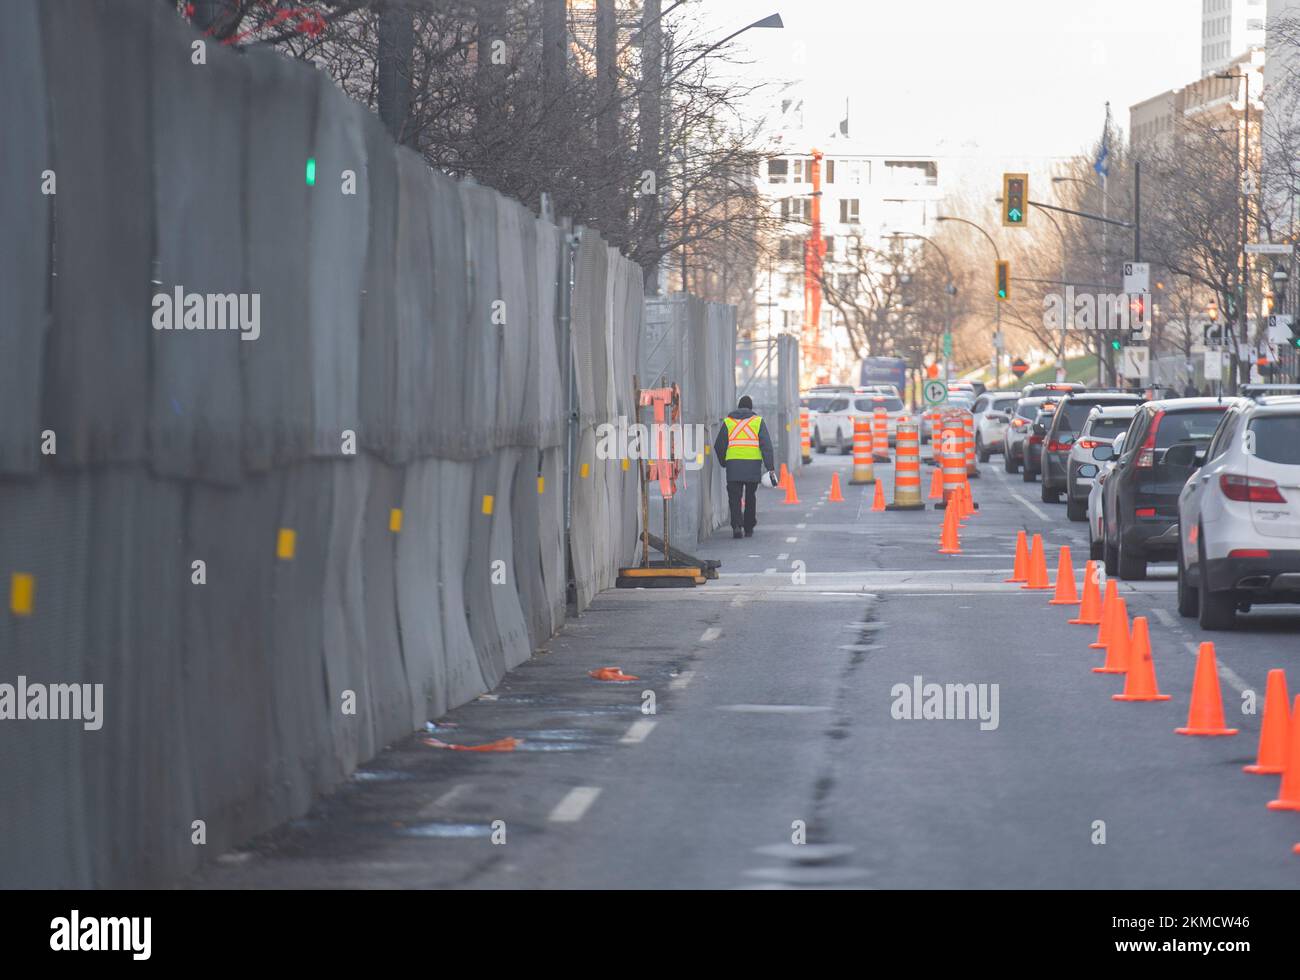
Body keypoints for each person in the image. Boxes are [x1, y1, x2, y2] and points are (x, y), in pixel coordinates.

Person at [713, 395, 776, 539]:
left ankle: (736, 525)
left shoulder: (728, 422)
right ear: (751, 407)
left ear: (738, 406)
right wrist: (770, 467)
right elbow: (766, 446)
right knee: (750, 497)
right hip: (752, 466)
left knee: (734, 497)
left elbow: (719, 445)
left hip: (733, 465)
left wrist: (724, 462)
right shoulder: (758, 421)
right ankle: (748, 528)